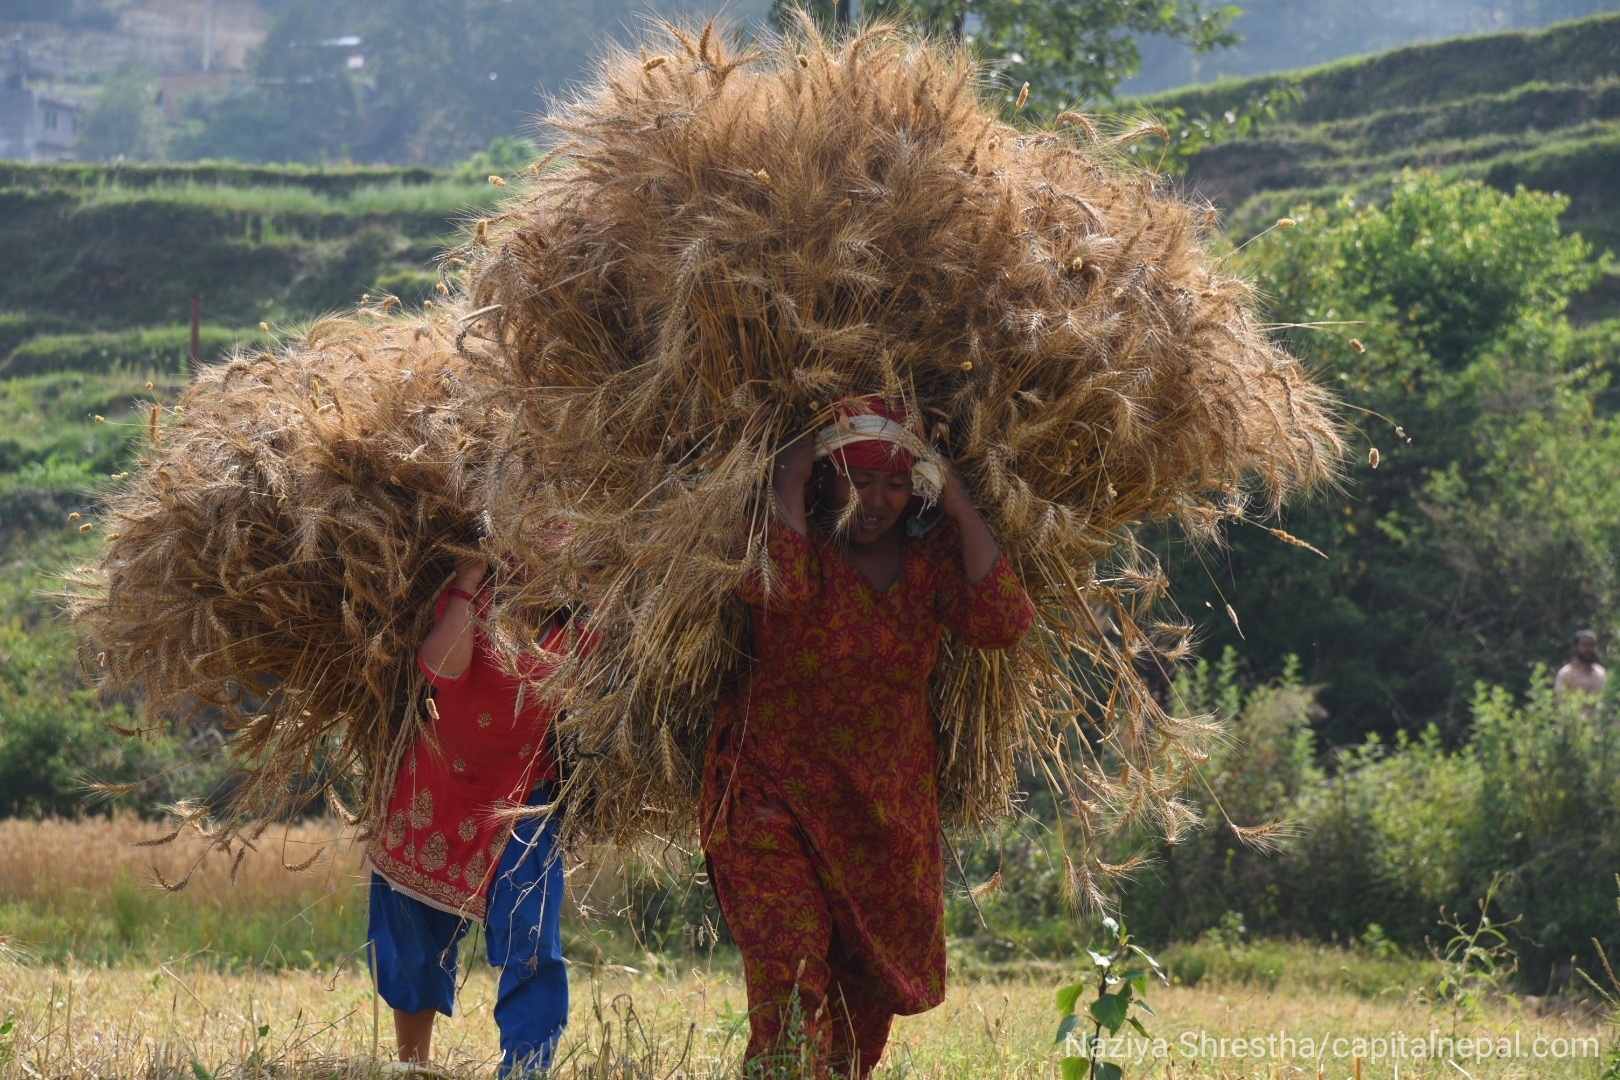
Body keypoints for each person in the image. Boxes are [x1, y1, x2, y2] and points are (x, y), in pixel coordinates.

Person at [701, 398, 1035, 1078]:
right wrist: (790, 469)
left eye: (895, 479)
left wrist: (962, 503)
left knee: (862, 1013)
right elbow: (784, 588)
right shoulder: (785, 544)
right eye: (855, 477)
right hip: (769, 791)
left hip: (883, 817)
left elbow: (1005, 621)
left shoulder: (931, 559)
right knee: (790, 970)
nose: (877, 499)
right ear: (821, 479)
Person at [366, 558, 573, 1076]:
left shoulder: (583, 627)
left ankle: (525, 1070)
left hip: (524, 804)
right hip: (435, 790)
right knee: (413, 936)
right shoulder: (475, 601)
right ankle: (414, 1066)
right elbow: (441, 670)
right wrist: (465, 583)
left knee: (532, 939)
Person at [1554, 629, 1607, 699]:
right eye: (1585, 645)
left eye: (1592, 645)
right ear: (1575, 647)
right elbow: (1559, 701)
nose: (1589, 649)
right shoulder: (1565, 674)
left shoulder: (1601, 673)